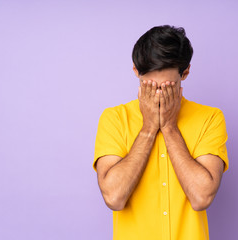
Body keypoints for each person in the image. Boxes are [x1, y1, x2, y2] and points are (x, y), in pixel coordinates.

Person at [93, 25, 229, 240]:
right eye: (150, 86)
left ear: (185, 73)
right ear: (136, 72)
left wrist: (169, 127)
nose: (158, 95)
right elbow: (114, 198)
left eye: (167, 87)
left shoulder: (209, 118)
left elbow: (201, 198)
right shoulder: (115, 119)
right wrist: (148, 129)